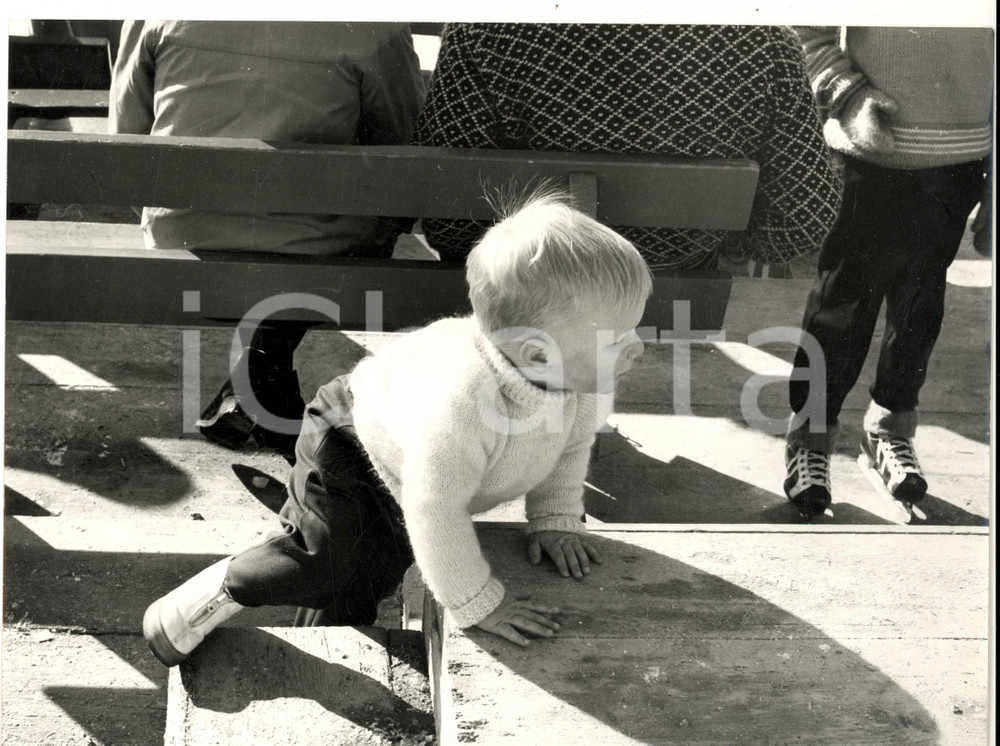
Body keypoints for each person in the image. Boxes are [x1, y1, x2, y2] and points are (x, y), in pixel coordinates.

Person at [141, 191, 652, 665]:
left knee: (372, 566)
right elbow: (434, 509)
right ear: (538, 354)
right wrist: (478, 603)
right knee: (339, 563)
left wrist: (556, 519)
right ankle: (229, 585)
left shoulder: (582, 381)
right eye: (619, 339)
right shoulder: (460, 402)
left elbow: (570, 449)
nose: (638, 347)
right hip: (352, 442)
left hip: (421, 466)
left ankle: (326, 593)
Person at [110, 21, 425, 461]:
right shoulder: (372, 19)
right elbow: (401, 137)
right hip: (319, 240)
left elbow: (126, 135)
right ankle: (263, 385)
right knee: (370, 222)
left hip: (181, 232)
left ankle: (256, 387)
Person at [413, 23, 842, 271]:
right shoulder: (764, 39)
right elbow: (802, 218)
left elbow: (447, 217)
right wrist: (710, 243)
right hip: (676, 286)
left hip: (527, 288)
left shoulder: (484, 30)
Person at [783, 27, 993, 518]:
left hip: (961, 165)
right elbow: (802, 27)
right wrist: (848, 95)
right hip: (865, 157)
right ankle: (809, 441)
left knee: (919, 310)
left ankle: (889, 431)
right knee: (840, 308)